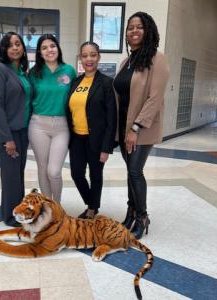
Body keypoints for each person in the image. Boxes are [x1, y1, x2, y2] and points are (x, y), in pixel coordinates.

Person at [113, 12, 169, 239]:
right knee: (130, 171)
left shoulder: (157, 59)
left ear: (148, 31)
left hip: (141, 128)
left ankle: (142, 216)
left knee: (135, 171)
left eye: (139, 27)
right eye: (130, 28)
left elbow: (155, 98)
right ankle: (131, 211)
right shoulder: (127, 61)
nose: (134, 31)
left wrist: (135, 128)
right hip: (123, 126)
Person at [67, 41, 117, 219]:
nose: (89, 59)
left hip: (96, 139)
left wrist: (106, 148)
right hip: (77, 139)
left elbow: (112, 119)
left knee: (96, 175)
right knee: (76, 174)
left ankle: (91, 209)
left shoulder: (106, 83)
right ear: (80, 58)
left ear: (98, 57)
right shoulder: (76, 82)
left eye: (93, 55)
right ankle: (93, 203)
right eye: (85, 55)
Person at [0, 32, 31, 227]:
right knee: (11, 173)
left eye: (18, 44)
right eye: (10, 45)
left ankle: (16, 208)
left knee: (17, 172)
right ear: (4, 49)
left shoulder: (22, 72)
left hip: (21, 130)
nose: (14, 48)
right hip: (5, 131)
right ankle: (11, 216)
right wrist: (7, 139)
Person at [28, 34, 76, 202]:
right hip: (38, 125)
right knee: (42, 168)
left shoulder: (69, 70)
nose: (49, 50)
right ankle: (47, 206)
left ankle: (57, 207)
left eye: (52, 46)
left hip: (62, 126)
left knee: (54, 171)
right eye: (44, 47)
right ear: (40, 53)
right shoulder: (34, 73)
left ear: (58, 48)